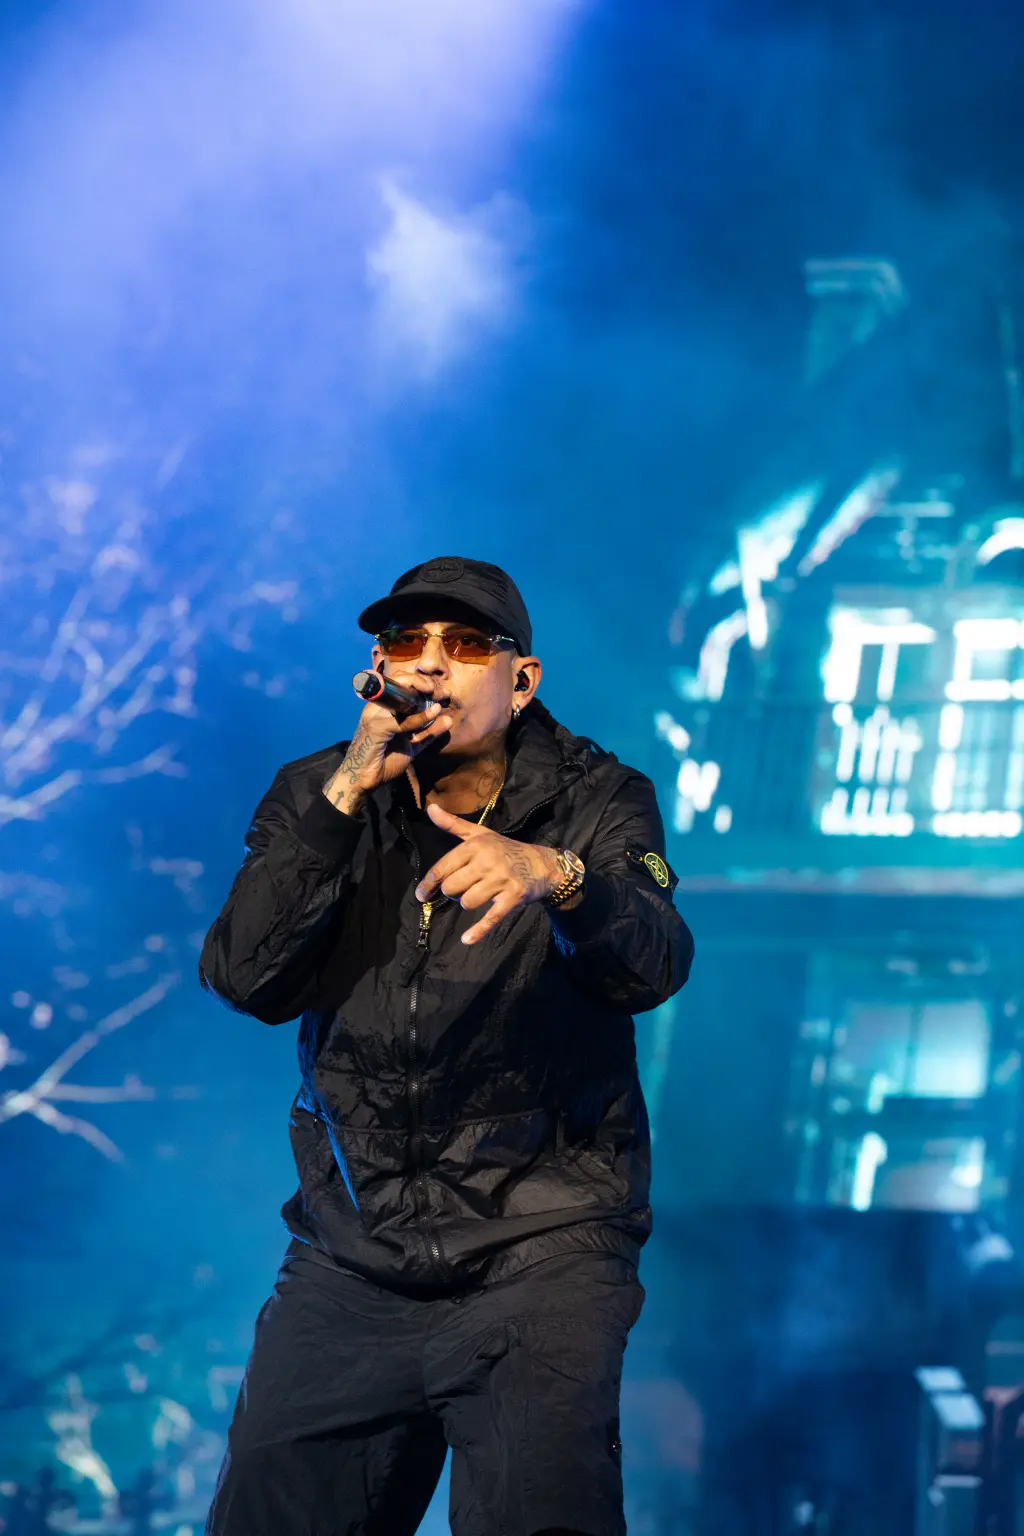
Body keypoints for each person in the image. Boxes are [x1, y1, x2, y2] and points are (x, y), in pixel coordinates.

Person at [200, 556, 694, 1536]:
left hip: (541, 1245)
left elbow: (654, 962)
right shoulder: (316, 793)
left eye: (465, 644)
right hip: (353, 1253)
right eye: (405, 642)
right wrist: (345, 794)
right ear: (375, 671)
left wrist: (558, 878)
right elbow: (244, 978)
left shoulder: (601, 797)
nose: (430, 664)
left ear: (522, 680)